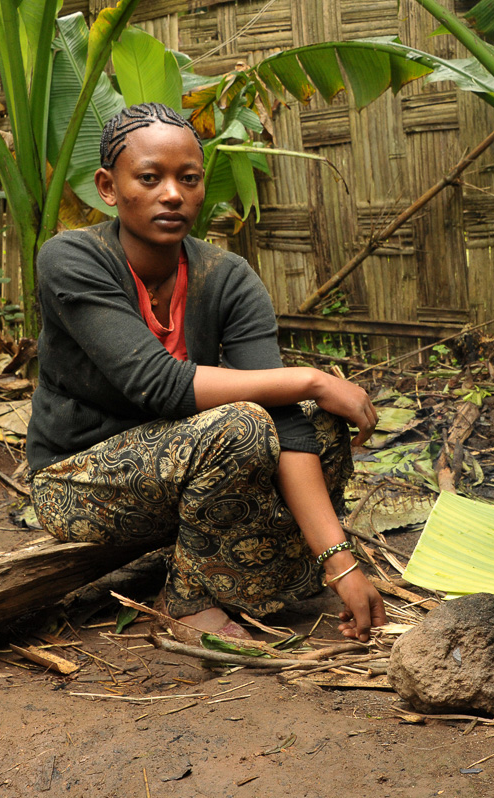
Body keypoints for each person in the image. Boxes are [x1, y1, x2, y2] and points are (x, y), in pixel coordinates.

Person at [26, 103, 387, 642]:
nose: (172, 194)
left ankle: (248, 570)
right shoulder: (71, 258)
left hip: (188, 482)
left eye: (188, 179)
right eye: (150, 178)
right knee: (239, 425)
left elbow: (285, 421)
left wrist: (342, 564)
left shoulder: (226, 277)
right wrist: (314, 379)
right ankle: (187, 601)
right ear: (107, 186)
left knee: (319, 430)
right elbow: (159, 384)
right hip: (79, 484)